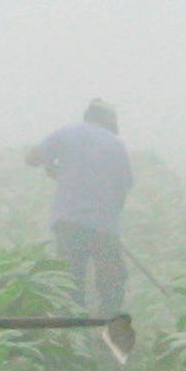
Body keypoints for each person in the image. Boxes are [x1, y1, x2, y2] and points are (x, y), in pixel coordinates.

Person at [25, 98, 135, 313]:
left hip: (69, 223)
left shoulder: (67, 133)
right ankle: (107, 329)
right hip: (104, 226)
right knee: (112, 282)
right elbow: (123, 188)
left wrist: (54, 167)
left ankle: (74, 332)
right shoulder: (116, 145)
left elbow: (31, 158)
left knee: (71, 281)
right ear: (108, 121)